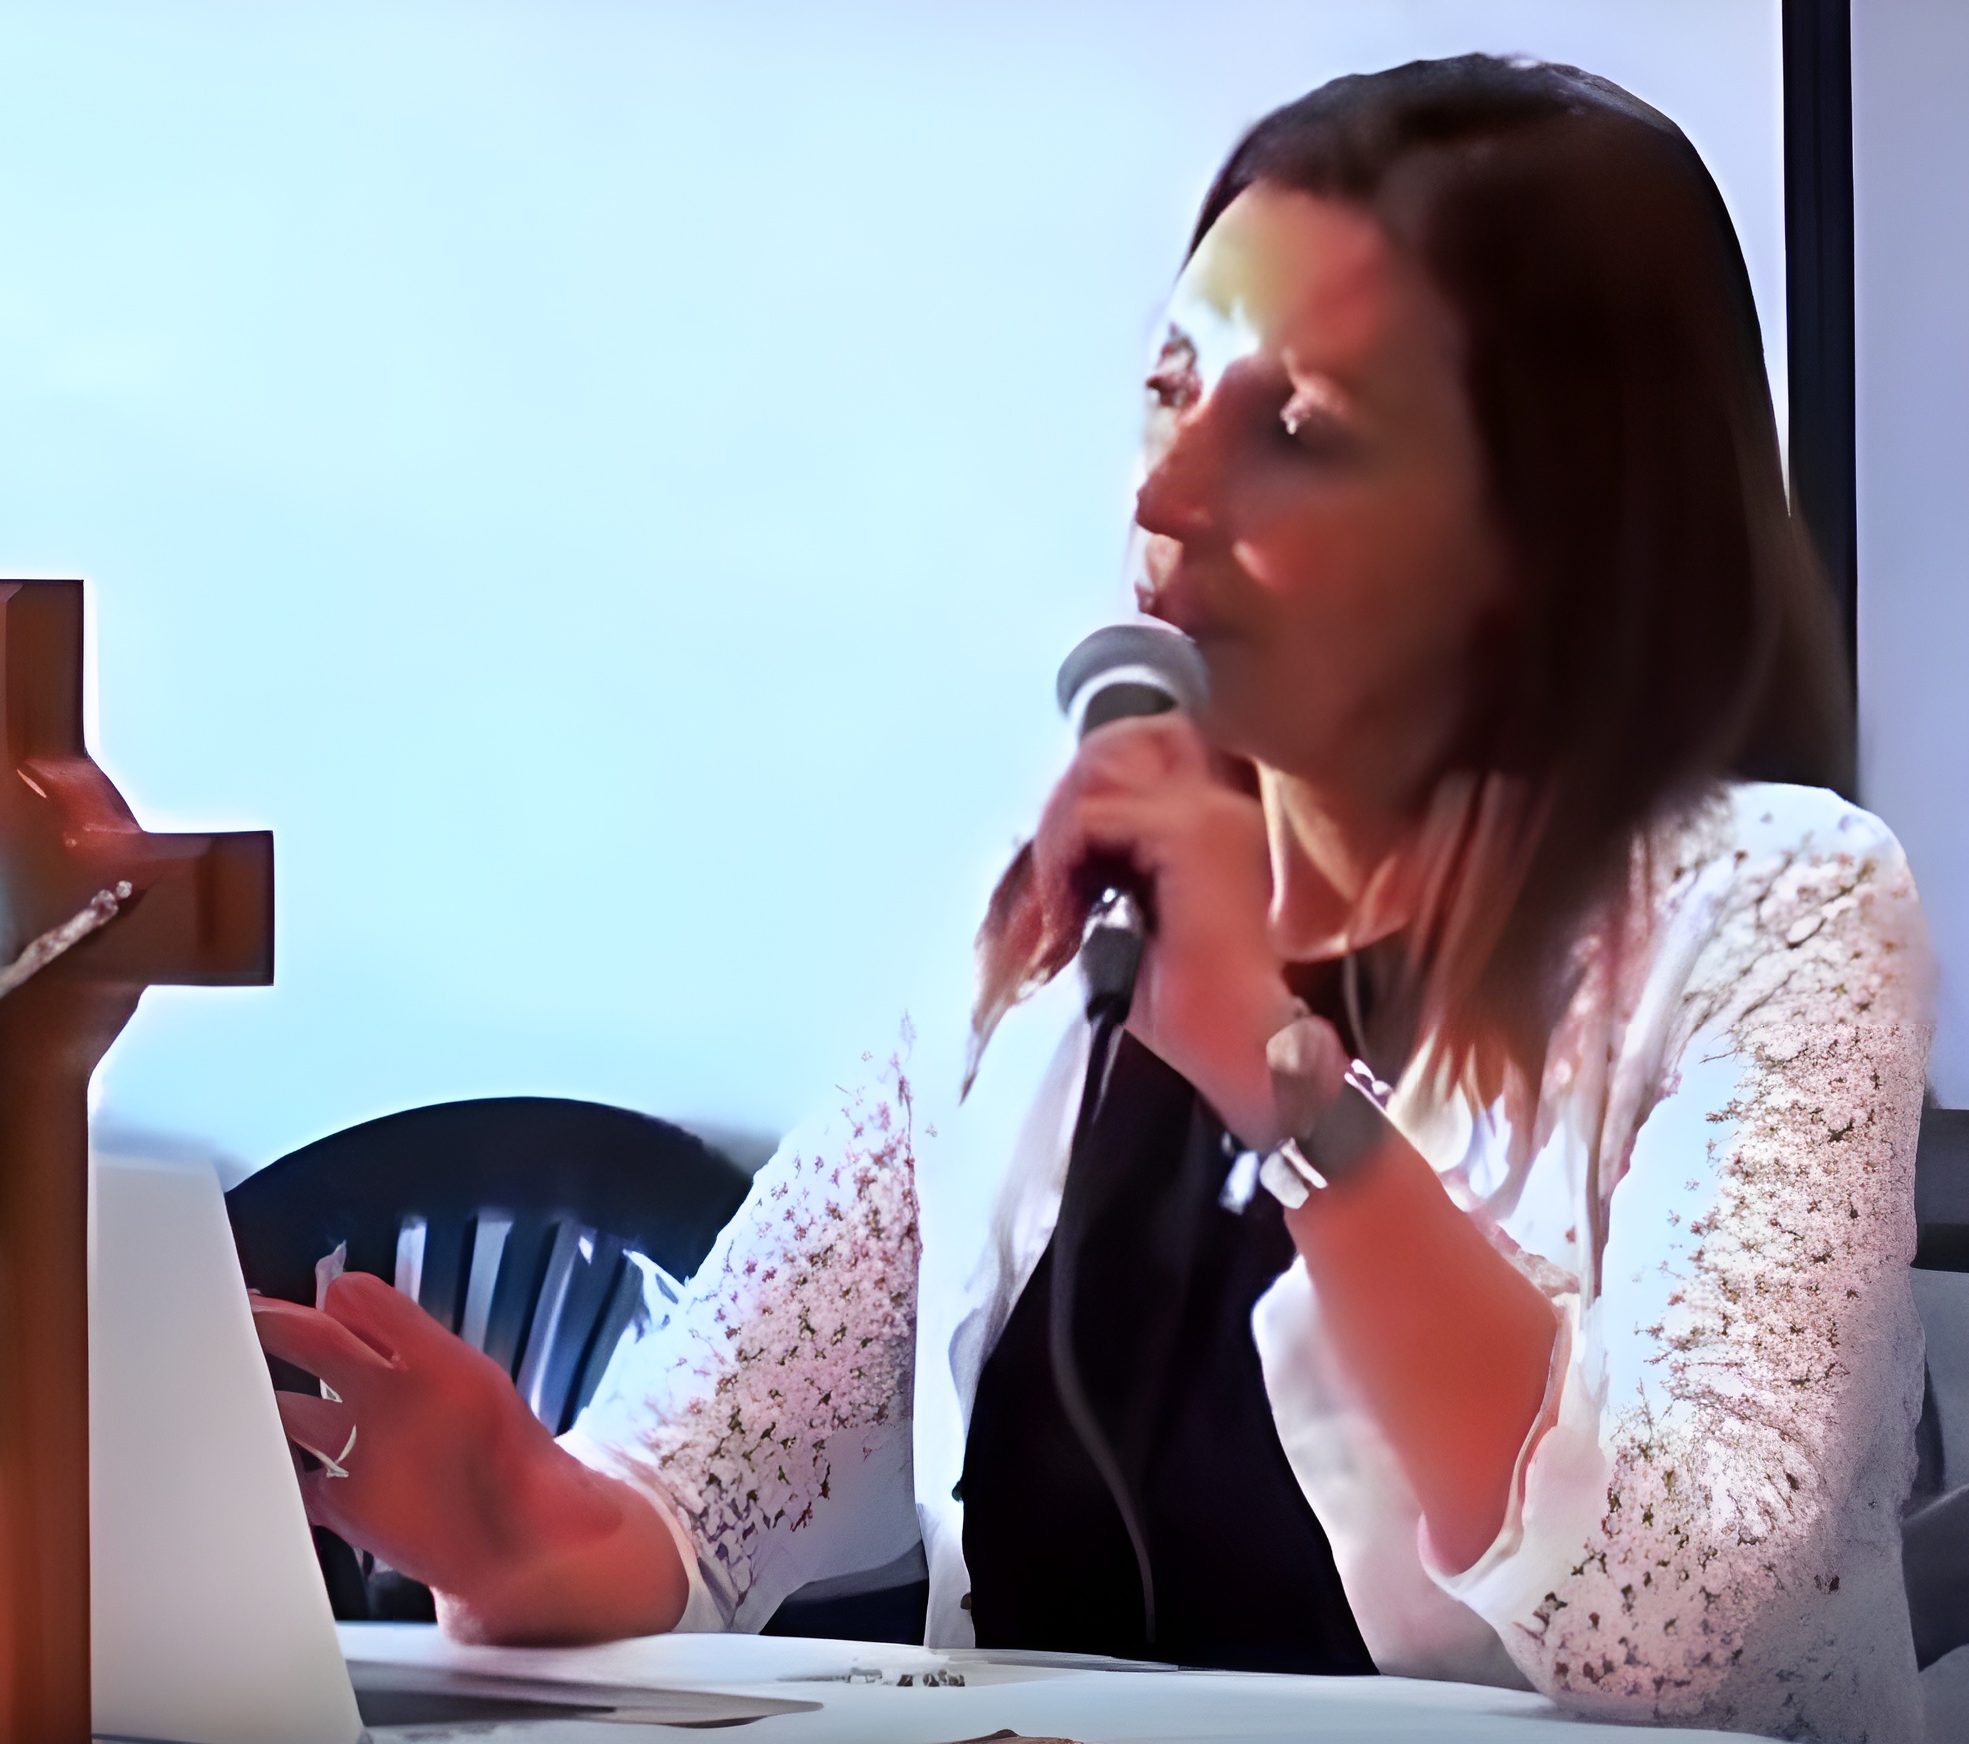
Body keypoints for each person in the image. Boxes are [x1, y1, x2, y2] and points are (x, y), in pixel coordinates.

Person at [252, 54, 1933, 1742]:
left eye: (1293, 429)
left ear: (1543, 529)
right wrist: (523, 1527)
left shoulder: (1779, 912)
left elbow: (1686, 1628)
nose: (1161, 495)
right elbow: (698, 1493)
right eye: (1168, 391)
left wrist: (1286, 1088)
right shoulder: (1054, 926)